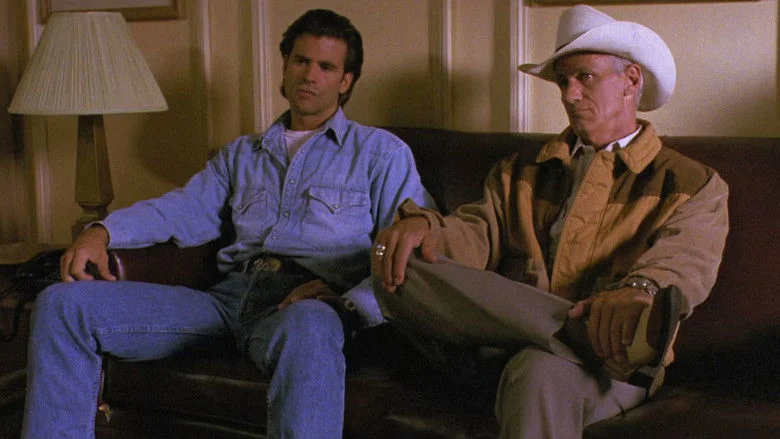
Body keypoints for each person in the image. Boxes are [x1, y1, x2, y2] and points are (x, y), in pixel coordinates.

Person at [23, 9, 434, 439]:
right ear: (285, 65)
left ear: (345, 81)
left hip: (301, 306)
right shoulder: (241, 155)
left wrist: (347, 305)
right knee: (62, 305)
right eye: (301, 60)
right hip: (225, 300)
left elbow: (412, 255)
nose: (309, 75)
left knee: (311, 324)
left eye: (326, 67)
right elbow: (181, 209)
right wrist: (102, 231)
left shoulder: (380, 154)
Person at [372, 5, 728, 438]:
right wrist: (426, 229)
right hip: (539, 342)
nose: (569, 95)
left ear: (631, 80)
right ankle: (581, 333)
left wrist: (641, 289)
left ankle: (587, 337)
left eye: (585, 77)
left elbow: (683, 263)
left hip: (606, 371)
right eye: (563, 81)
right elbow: (474, 232)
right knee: (396, 263)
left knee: (539, 370)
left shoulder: (691, 182)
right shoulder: (519, 171)